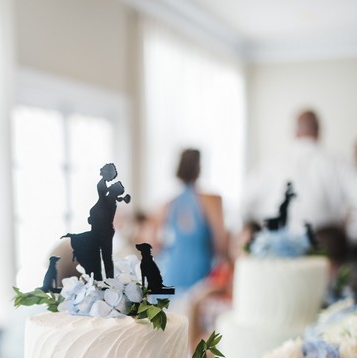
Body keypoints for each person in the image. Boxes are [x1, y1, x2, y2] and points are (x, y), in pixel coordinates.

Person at [242, 110, 357, 244]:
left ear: (295, 132)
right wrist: (350, 236)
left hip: (274, 252)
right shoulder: (338, 163)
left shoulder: (269, 164)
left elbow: (243, 204)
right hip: (323, 252)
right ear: (319, 131)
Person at [153, 149, 227, 297]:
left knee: (172, 317)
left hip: (172, 271)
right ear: (199, 167)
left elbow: (153, 245)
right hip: (200, 270)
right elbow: (221, 244)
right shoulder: (212, 200)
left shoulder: (168, 204)